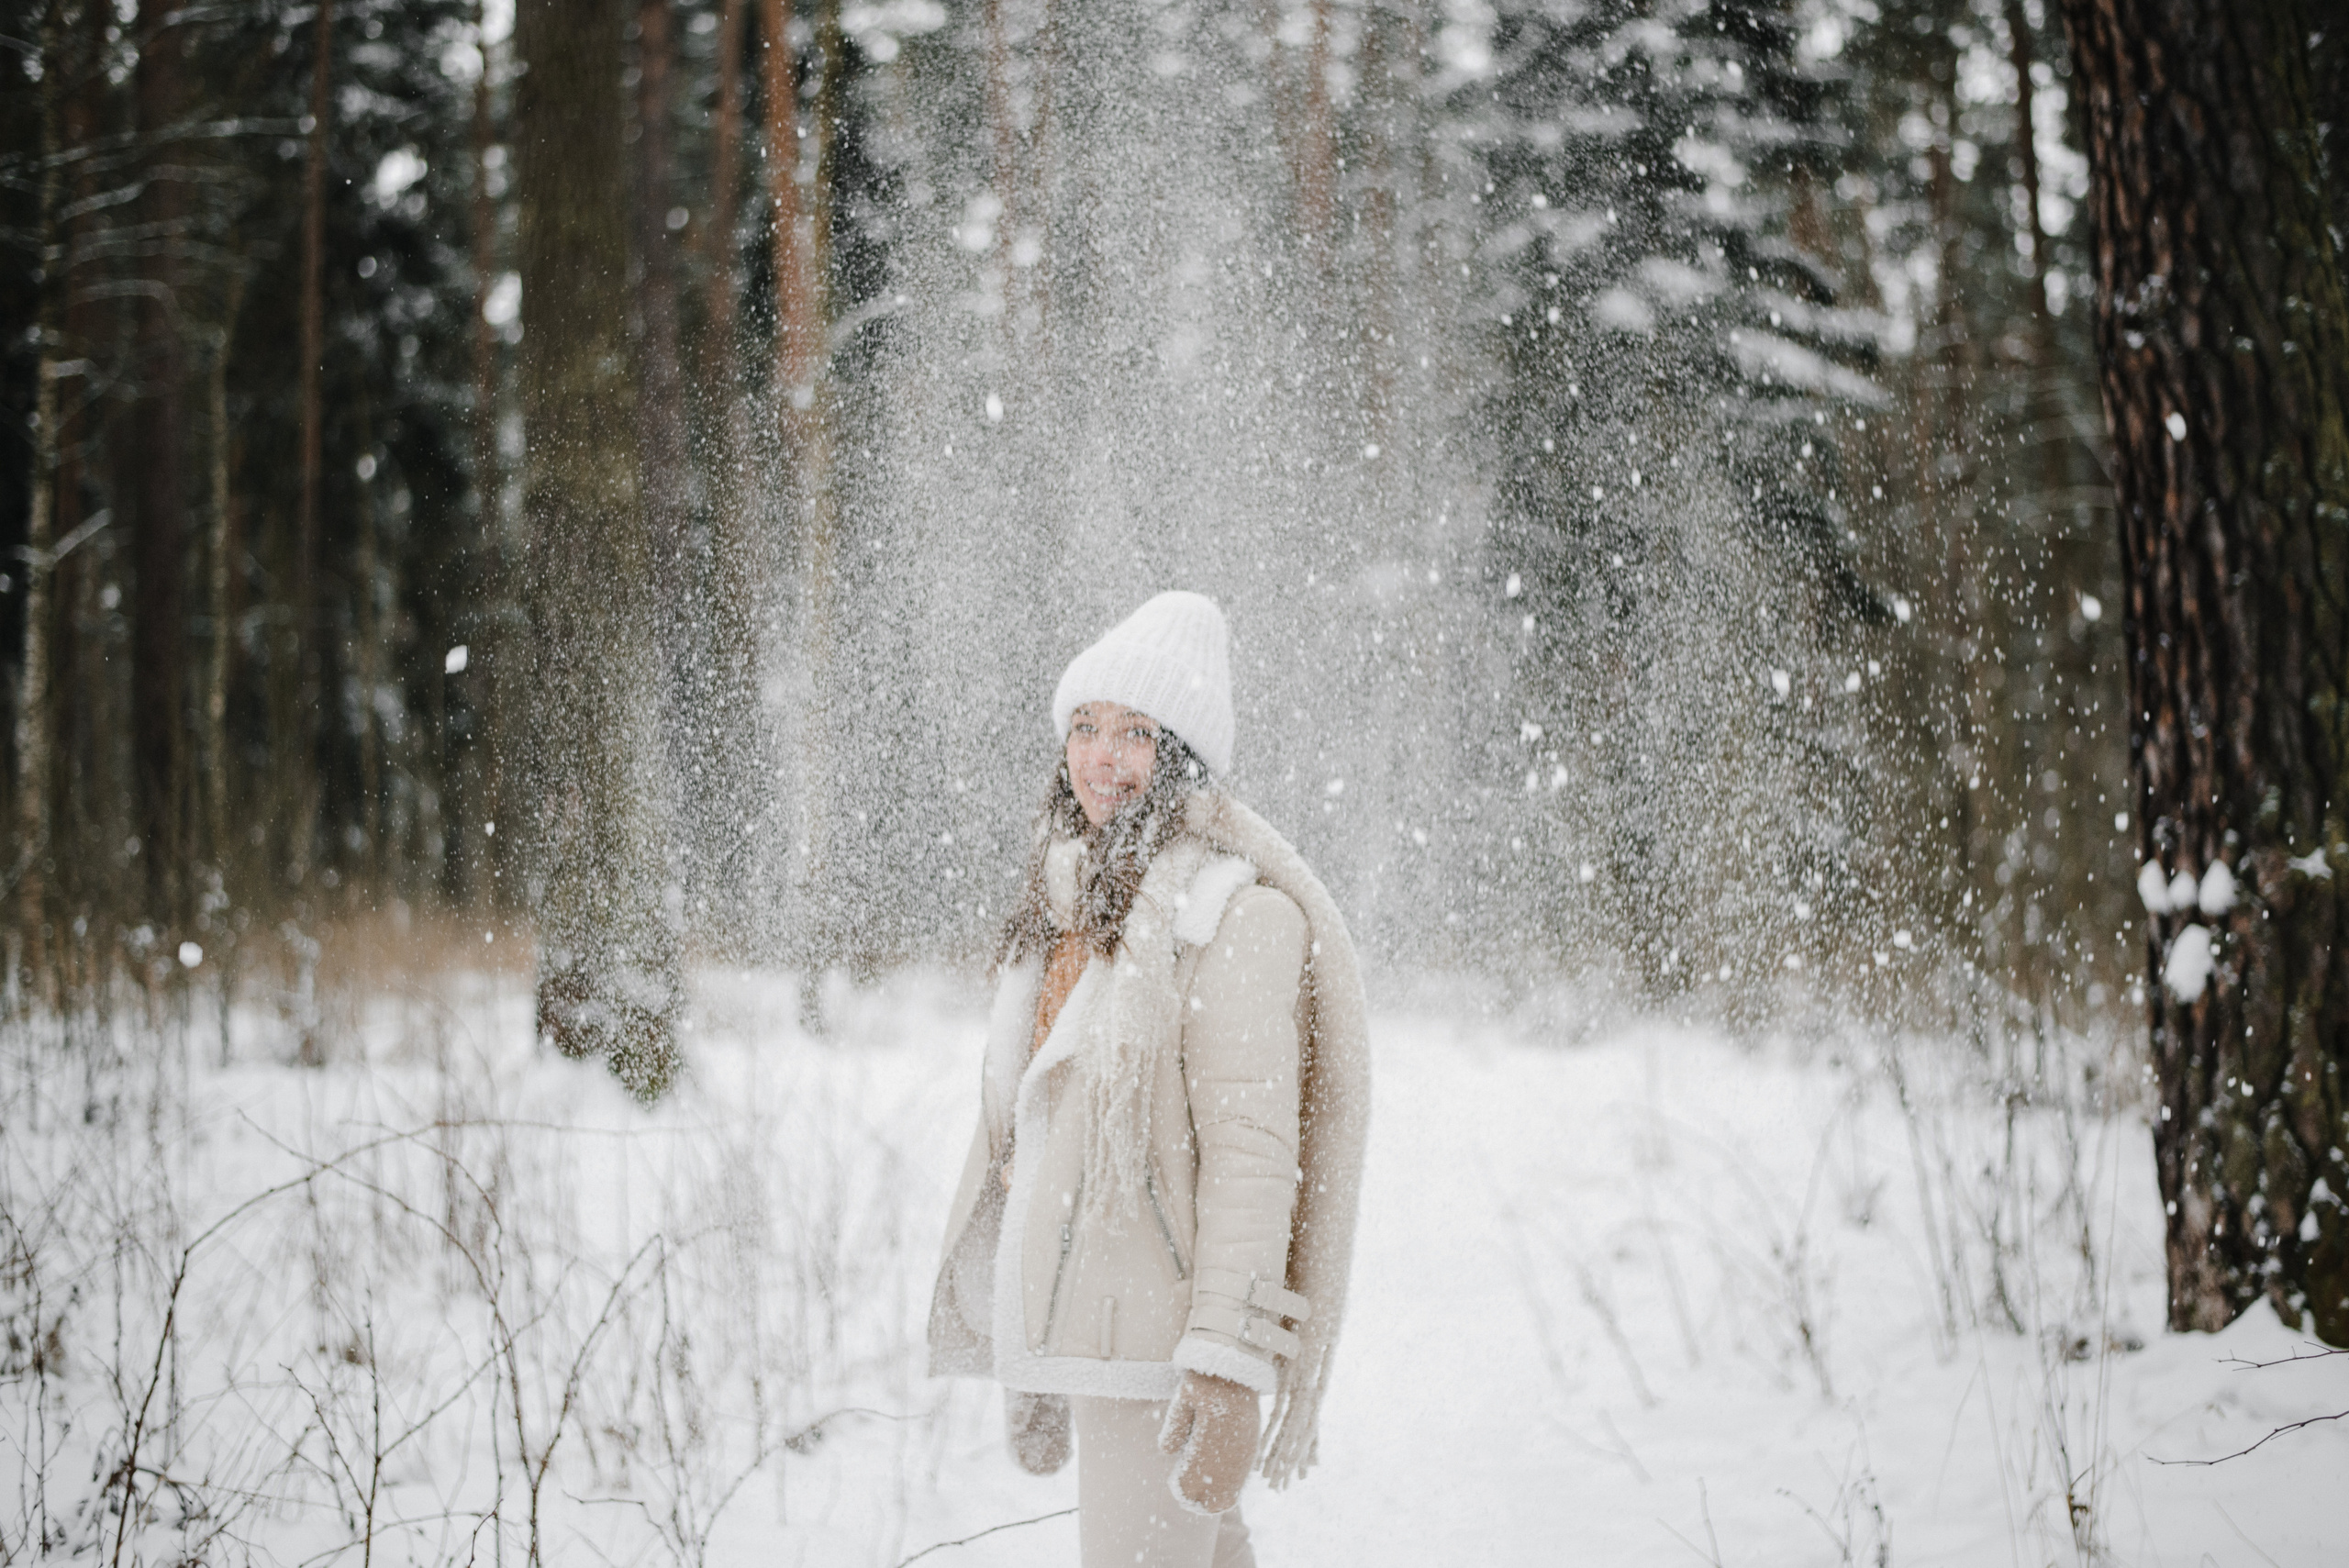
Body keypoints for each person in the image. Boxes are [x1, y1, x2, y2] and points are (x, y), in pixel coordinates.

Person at [928, 590, 1372, 1568]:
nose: (1102, 757)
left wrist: (1223, 1363)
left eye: (1135, 732)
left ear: (1181, 757)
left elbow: (1254, 1163)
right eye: (1084, 727)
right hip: (1095, 1328)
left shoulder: (1234, 917)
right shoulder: (1065, 907)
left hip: (1159, 1352)